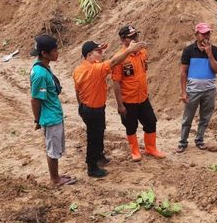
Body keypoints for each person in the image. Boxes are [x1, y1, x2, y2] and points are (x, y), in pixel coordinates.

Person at [73, 40, 146, 177]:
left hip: (88, 108)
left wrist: (81, 106)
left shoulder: (79, 69)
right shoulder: (95, 69)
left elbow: (77, 91)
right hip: (93, 110)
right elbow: (113, 62)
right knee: (93, 137)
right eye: (98, 52)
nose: (102, 54)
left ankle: (99, 156)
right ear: (89, 55)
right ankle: (92, 167)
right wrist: (129, 50)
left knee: (99, 133)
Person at [112, 25, 165, 161]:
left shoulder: (143, 53)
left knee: (151, 121)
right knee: (131, 126)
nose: (136, 38)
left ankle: (151, 148)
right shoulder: (119, 58)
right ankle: (135, 150)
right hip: (128, 100)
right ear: (123, 40)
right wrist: (120, 105)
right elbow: (116, 83)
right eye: (132, 37)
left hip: (143, 97)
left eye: (136, 35)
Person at [30, 35, 76, 186]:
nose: (57, 53)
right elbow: (35, 99)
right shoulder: (40, 74)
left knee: (55, 148)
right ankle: (55, 179)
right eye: (55, 50)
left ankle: (56, 175)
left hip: (53, 114)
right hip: (50, 117)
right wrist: (37, 120)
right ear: (44, 53)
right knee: (53, 150)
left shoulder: (43, 67)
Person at [177, 23, 217, 153]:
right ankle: (183, 142)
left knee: (205, 118)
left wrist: (209, 54)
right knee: (188, 118)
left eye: (208, 33)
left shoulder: (214, 50)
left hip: (209, 90)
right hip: (193, 91)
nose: (206, 36)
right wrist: (183, 92)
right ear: (196, 35)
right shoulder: (189, 50)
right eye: (203, 33)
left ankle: (200, 139)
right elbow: (183, 73)